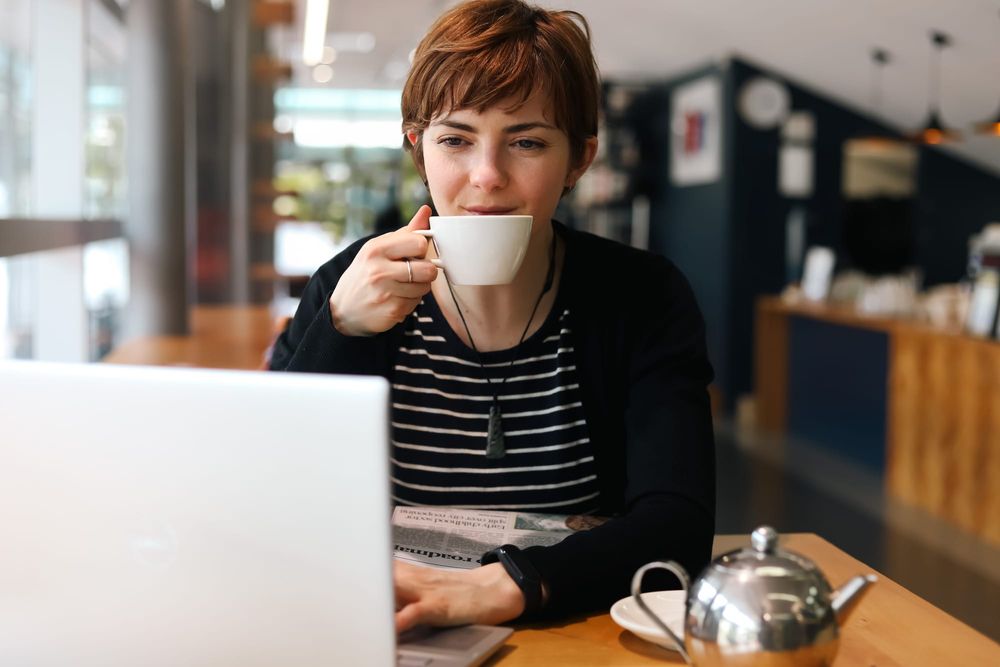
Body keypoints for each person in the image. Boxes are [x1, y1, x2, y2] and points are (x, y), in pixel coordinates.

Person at [270, 0, 715, 631]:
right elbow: (268, 495)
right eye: (455, 139)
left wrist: (510, 586)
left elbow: (678, 524)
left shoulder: (640, 296)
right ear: (418, 148)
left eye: (527, 141)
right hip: (382, 620)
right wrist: (338, 335)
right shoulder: (348, 286)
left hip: (569, 625)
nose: (486, 175)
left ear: (579, 159)